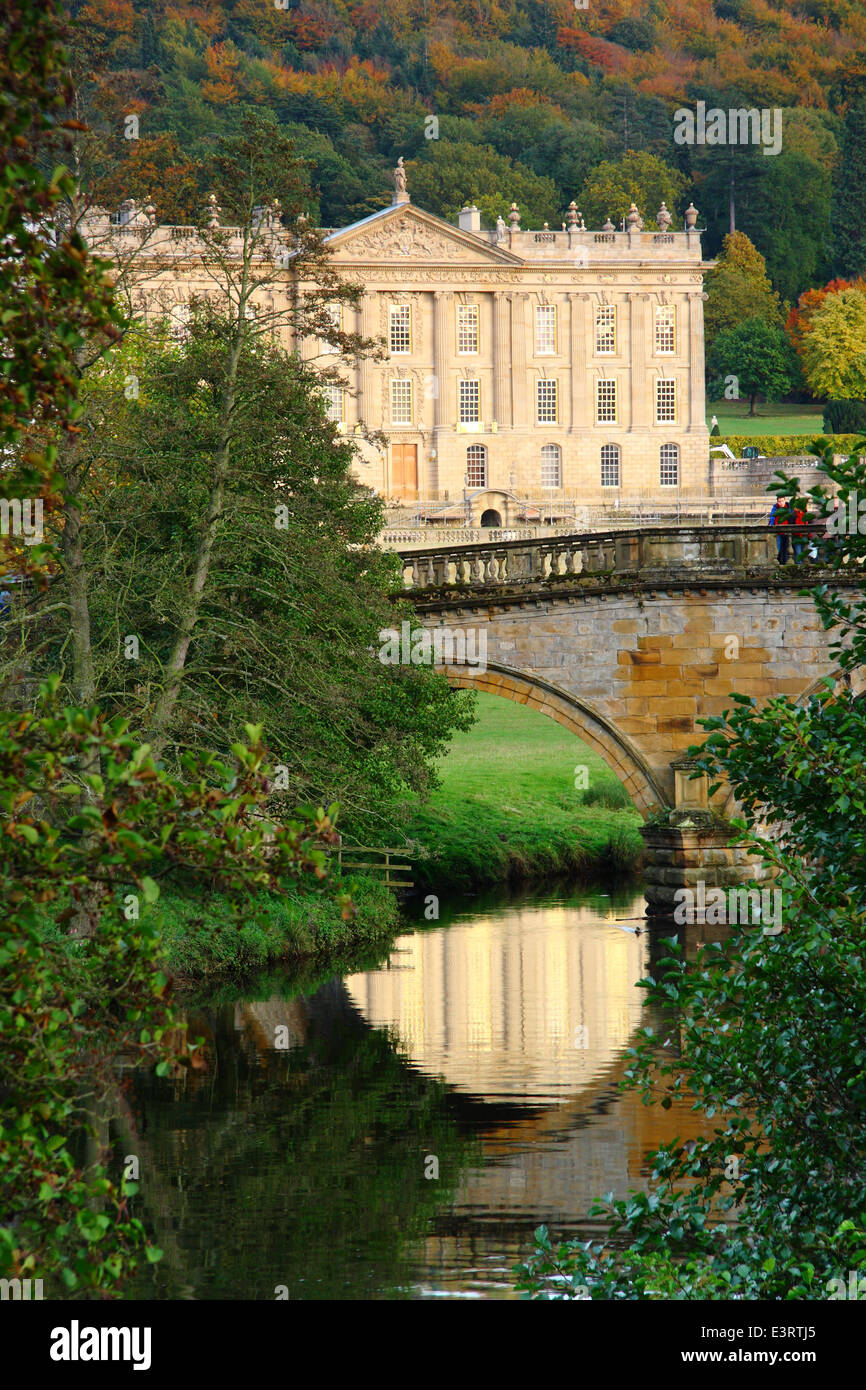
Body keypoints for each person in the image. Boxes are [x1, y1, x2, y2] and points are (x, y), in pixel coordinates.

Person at [769, 497, 789, 564]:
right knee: (778, 549)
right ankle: (779, 563)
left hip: (787, 532)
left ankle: (785, 563)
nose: (780, 503)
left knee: (786, 549)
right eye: (779, 501)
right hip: (778, 533)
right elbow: (772, 518)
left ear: (785, 501)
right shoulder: (775, 509)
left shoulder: (789, 508)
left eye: (782, 501)